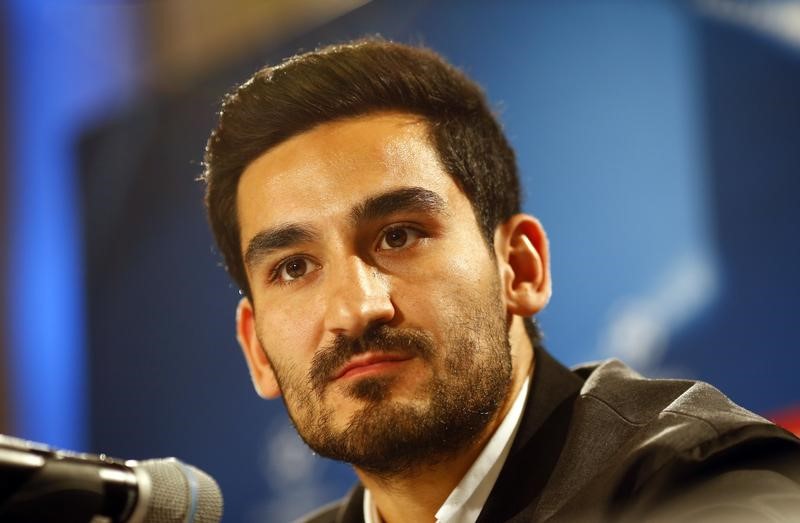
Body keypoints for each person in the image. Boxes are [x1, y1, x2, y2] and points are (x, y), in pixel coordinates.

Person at [201, 38, 800, 522]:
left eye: (399, 235)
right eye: (294, 268)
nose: (355, 309)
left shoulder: (702, 479)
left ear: (519, 266)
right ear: (256, 348)